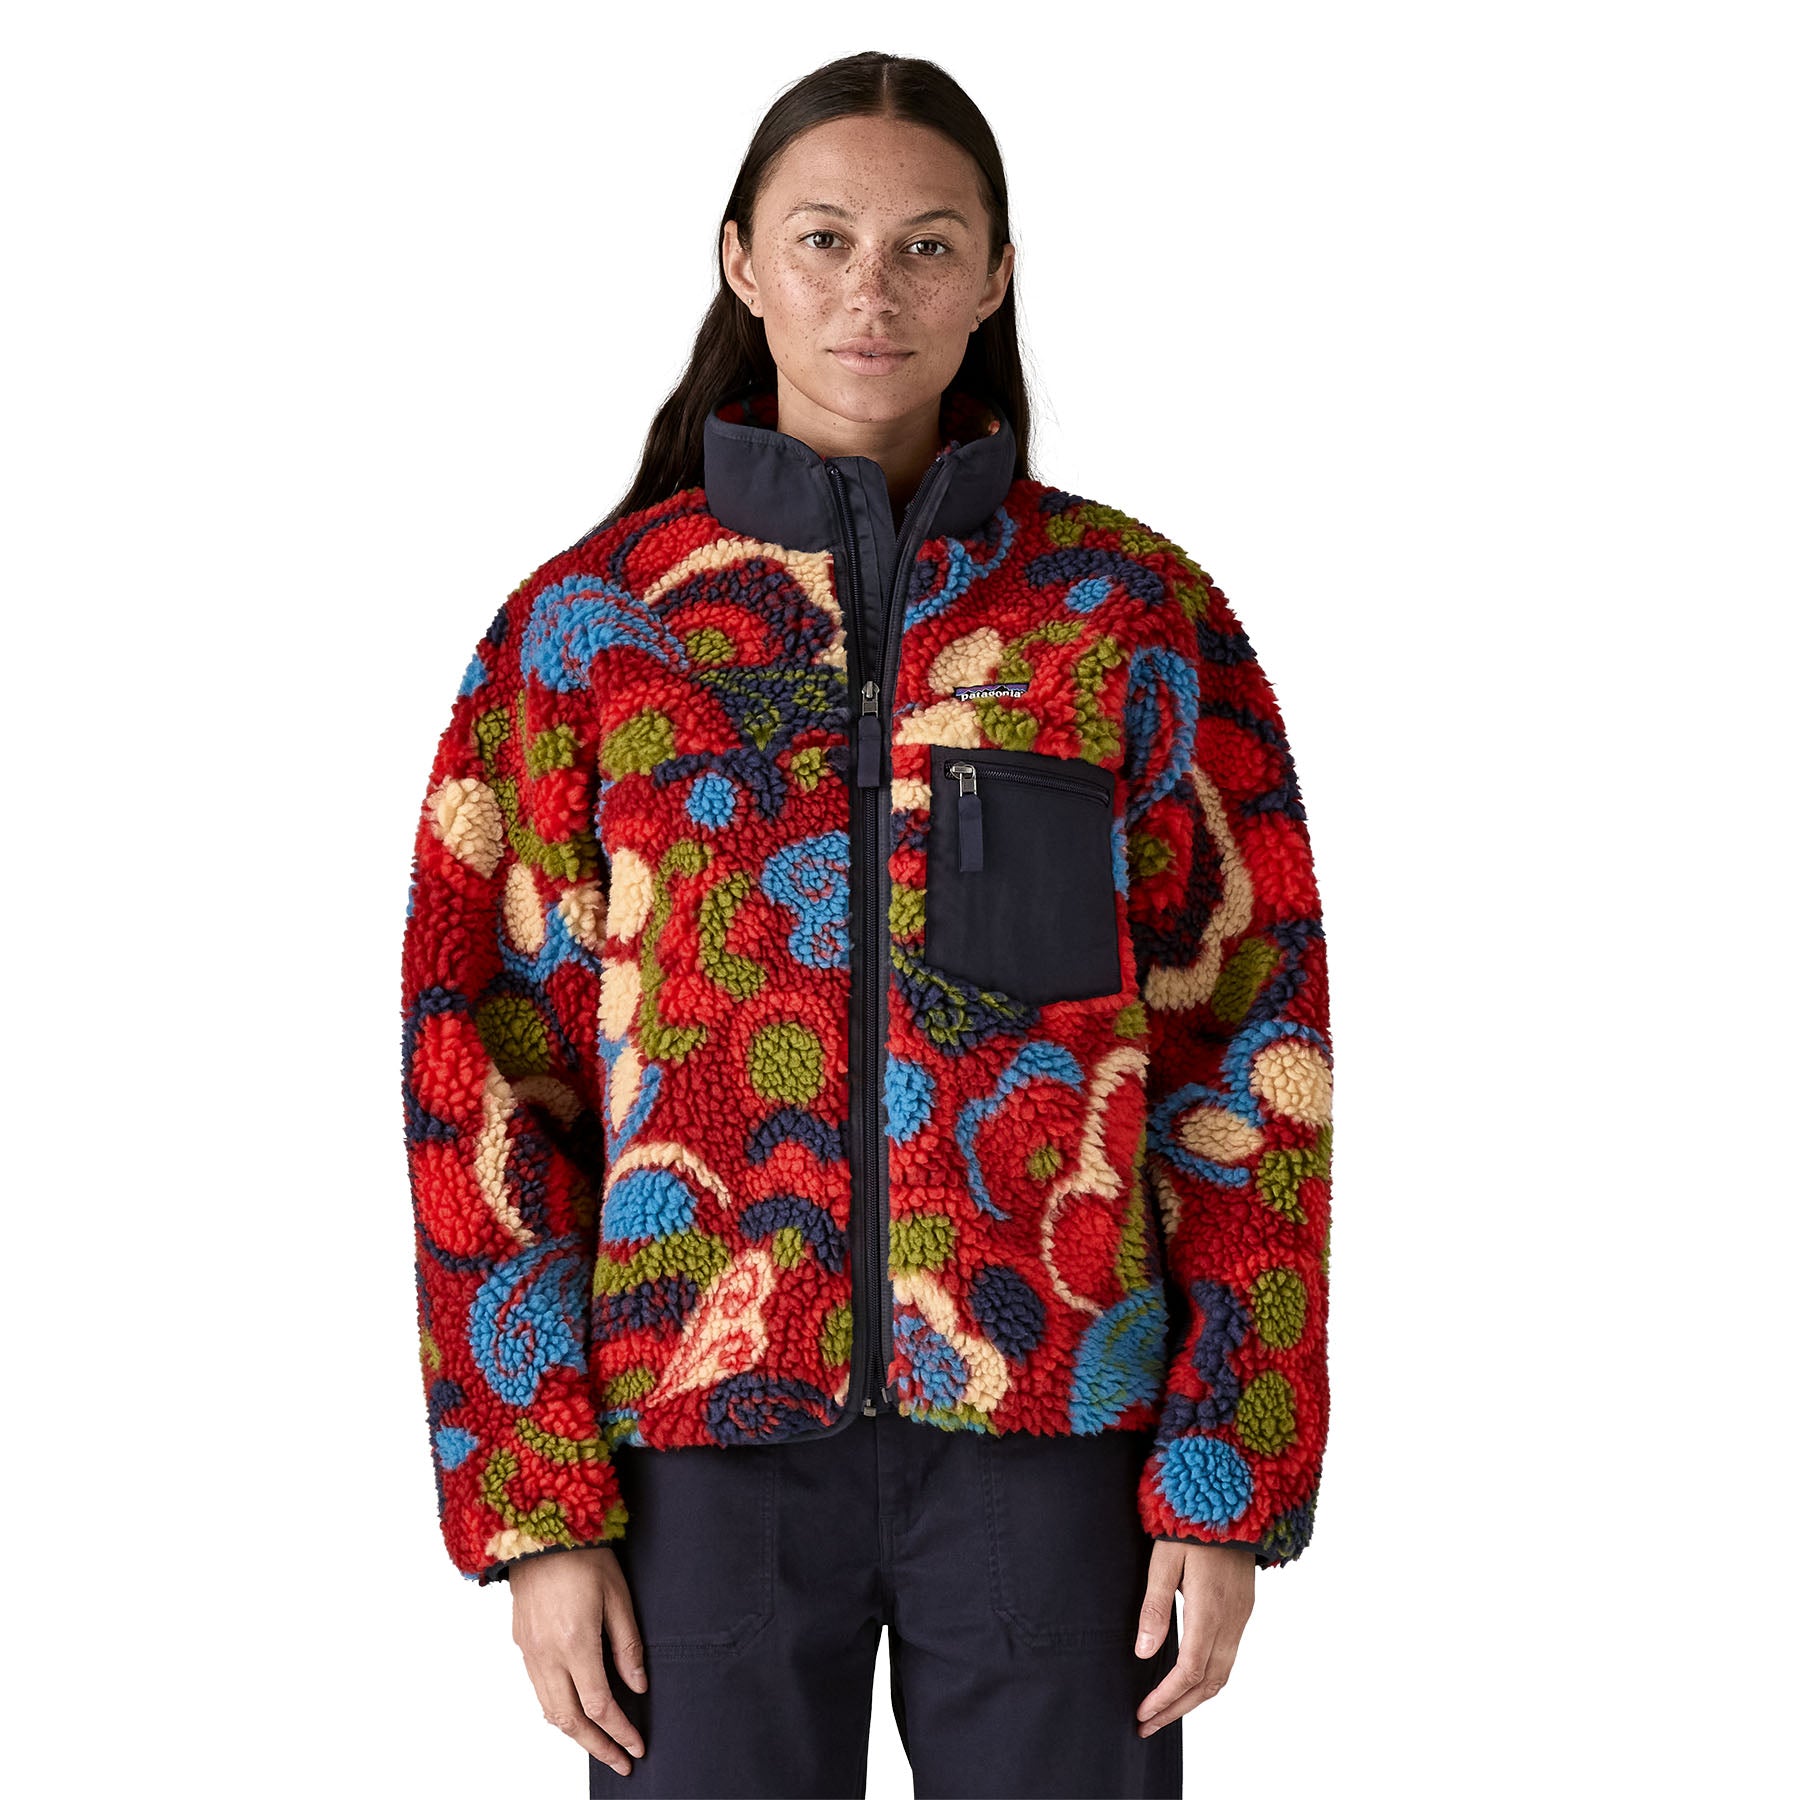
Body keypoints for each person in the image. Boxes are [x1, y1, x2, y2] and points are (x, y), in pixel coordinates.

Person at [398, 49, 1333, 1800]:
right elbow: (487, 1073)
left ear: (994, 278)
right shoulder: (590, 631)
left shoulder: (1132, 617)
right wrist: (537, 1510)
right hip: (694, 1442)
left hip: (1059, 1430)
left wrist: (1225, 1470)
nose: (871, 292)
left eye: (926, 246)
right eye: (824, 238)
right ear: (742, 261)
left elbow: (1248, 1046)